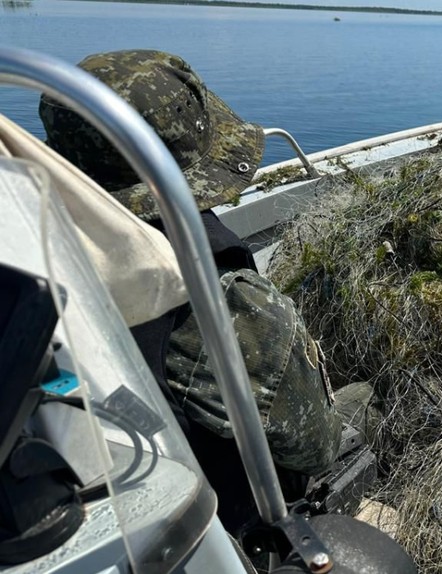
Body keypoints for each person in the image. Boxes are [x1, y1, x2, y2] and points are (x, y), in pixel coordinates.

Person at [38, 50, 370, 534]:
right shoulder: (228, 301)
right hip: (213, 526)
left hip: (91, 498)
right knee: (365, 399)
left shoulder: (29, 254)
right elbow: (316, 447)